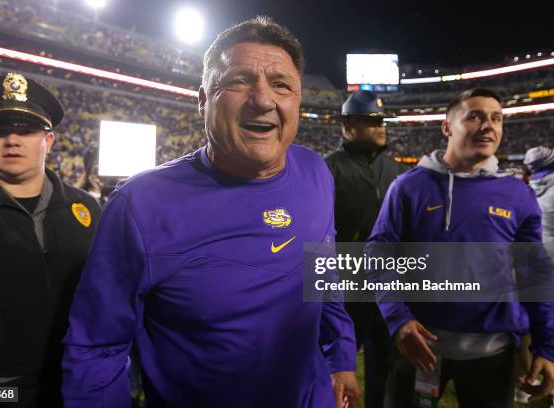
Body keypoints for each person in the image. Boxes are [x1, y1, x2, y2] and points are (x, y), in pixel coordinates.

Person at [62, 17, 360, 408]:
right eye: (239, 80)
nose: (264, 99)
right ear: (203, 100)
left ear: (298, 101)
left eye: (281, 85)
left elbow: (323, 272)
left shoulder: (316, 172)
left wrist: (339, 355)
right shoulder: (141, 205)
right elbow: (96, 347)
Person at [367, 88, 554, 407]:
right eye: (475, 116)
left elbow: (533, 272)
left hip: (493, 355)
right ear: (447, 127)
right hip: (420, 350)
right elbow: (379, 254)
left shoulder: (516, 194)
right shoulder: (409, 187)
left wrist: (547, 346)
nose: (488, 126)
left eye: (497, 118)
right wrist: (397, 317)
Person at [0, 73, 101, 407]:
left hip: (70, 387)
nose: (13, 140)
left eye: (26, 131)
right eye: (0, 131)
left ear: (49, 141)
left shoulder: (85, 209)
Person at [325, 91, 405, 408]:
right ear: (348, 125)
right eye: (372, 121)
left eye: (381, 120)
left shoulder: (395, 169)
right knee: (334, 368)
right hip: (345, 291)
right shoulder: (328, 168)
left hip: (386, 289)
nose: (380, 126)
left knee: (383, 373)